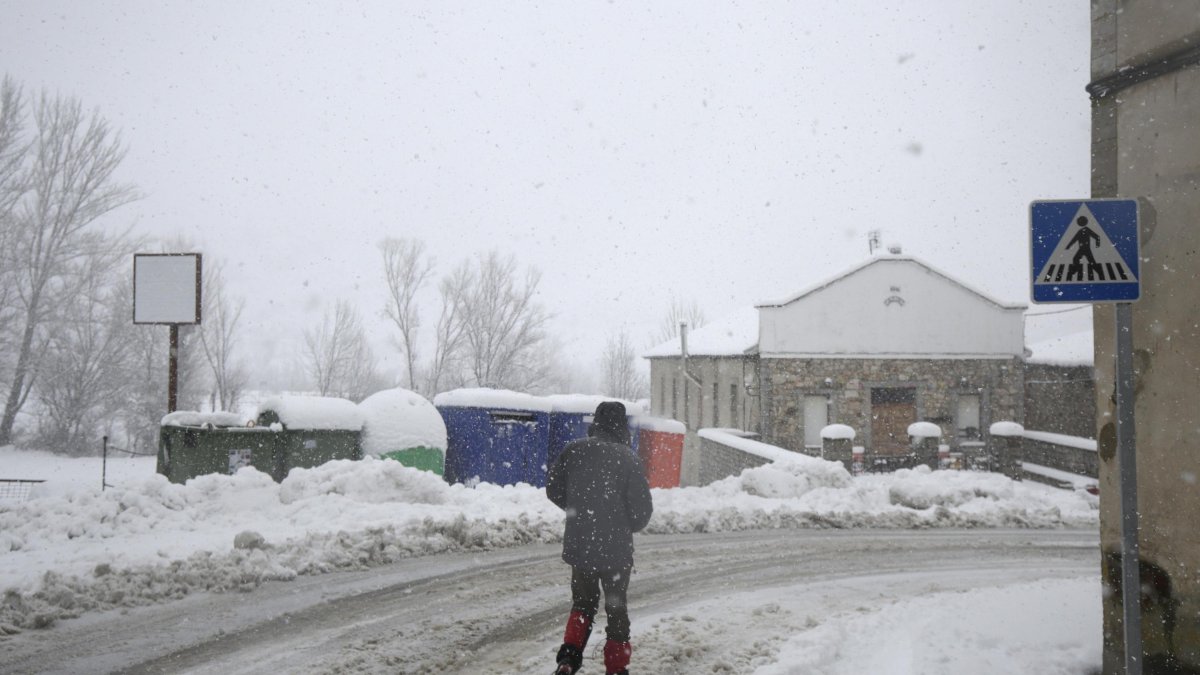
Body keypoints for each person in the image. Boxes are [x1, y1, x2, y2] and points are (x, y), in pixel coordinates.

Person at [546, 401, 653, 675]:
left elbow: (553, 489)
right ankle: (616, 669)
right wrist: (622, 524)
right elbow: (642, 512)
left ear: (596, 423)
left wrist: (579, 511)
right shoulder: (628, 458)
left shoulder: (574, 451)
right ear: (622, 427)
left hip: (581, 545)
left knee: (582, 603)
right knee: (616, 609)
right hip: (616, 551)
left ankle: (568, 660)